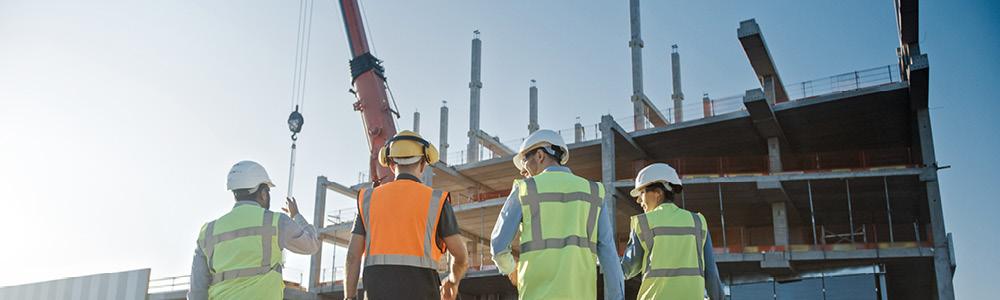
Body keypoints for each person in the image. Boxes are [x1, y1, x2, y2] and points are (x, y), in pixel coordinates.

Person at [490, 129, 625, 300]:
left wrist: (511, 270)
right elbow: (609, 256)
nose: (523, 170)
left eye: (524, 160)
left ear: (540, 155)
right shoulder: (594, 192)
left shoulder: (525, 189)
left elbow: (498, 246)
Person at [344, 130, 469, 300]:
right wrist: (452, 282)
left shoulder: (367, 200)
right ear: (423, 164)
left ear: (391, 164)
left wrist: (349, 297)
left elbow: (352, 256)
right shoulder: (437, 201)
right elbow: (461, 257)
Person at [188, 160, 320, 300]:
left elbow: (197, 291)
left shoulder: (208, 231)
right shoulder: (275, 222)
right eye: (267, 191)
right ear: (263, 193)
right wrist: (296, 215)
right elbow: (311, 245)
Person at [620, 163, 724, 299]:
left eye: (642, 193)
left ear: (658, 193)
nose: (639, 200)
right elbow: (711, 273)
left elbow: (627, 269)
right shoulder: (697, 222)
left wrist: (600, 259)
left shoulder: (644, 223)